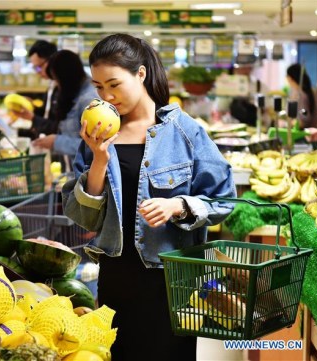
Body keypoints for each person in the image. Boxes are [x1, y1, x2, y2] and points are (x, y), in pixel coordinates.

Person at [62, 34, 236, 361]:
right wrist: (99, 158)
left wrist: (179, 205)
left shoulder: (184, 131)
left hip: (172, 282)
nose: (107, 96)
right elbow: (82, 217)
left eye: (114, 84)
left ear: (140, 74)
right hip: (117, 277)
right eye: (99, 87)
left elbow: (224, 198)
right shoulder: (98, 134)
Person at [31, 49, 98, 165]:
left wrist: (57, 142)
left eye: (57, 79)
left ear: (66, 77)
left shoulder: (89, 100)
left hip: (87, 174)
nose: (57, 84)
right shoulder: (74, 92)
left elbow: (95, 147)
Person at [14, 40, 59, 138]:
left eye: (39, 67)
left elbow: (61, 128)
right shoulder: (52, 84)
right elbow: (47, 114)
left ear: (51, 61)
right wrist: (32, 106)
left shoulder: (64, 88)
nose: (37, 72)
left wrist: (33, 118)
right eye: (35, 68)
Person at [286, 63, 317, 129]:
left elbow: (304, 119)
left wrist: (290, 123)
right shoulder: (313, 91)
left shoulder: (300, 95)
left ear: (290, 78)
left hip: (302, 135)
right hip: (314, 133)